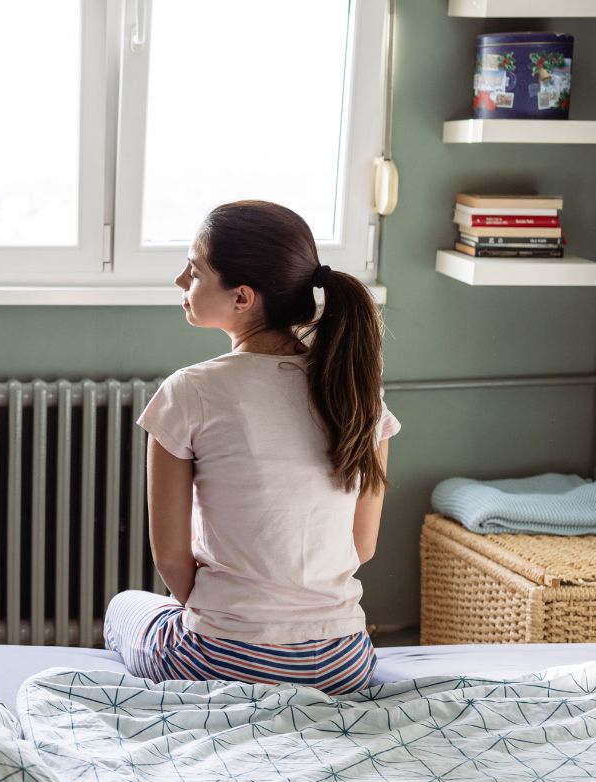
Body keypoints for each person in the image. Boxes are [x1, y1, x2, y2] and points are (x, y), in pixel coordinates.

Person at [103, 200, 396, 694]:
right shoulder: (357, 391)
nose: (180, 281)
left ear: (242, 297)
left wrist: (234, 622)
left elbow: (171, 557)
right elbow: (361, 545)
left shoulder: (188, 391)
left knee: (122, 608)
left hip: (222, 657)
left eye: (194, 271)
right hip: (344, 662)